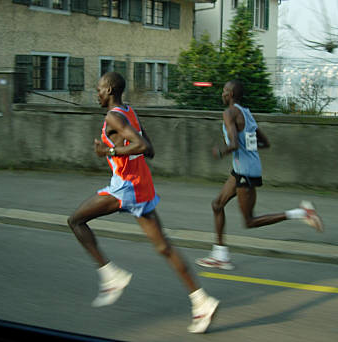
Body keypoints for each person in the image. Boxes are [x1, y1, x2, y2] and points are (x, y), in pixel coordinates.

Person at [67, 72, 218, 334]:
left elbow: (140, 145)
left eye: (100, 89)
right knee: (164, 247)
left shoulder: (114, 116)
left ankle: (111, 276)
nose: (97, 93)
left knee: (75, 221)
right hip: (142, 186)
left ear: (111, 89)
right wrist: (125, 152)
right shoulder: (130, 112)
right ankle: (201, 301)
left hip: (126, 187)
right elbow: (150, 150)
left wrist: (108, 151)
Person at [196, 80, 324, 271]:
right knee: (217, 205)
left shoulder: (229, 113)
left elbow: (233, 145)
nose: (222, 94)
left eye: (224, 91)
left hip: (245, 171)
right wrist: (248, 151)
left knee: (250, 221)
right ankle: (220, 255)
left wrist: (220, 152)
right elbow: (265, 142)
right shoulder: (246, 113)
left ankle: (301, 213)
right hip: (243, 168)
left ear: (230, 94)